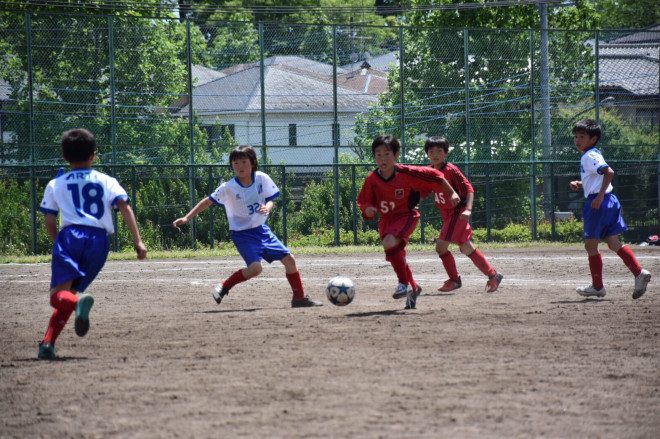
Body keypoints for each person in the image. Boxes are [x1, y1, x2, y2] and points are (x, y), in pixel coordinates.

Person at [38, 129, 148, 360]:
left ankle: (77, 304)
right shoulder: (107, 180)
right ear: (93, 155)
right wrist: (137, 241)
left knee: (58, 296)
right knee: (69, 295)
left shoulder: (56, 184)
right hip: (99, 241)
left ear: (65, 157)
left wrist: (57, 242)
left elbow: (49, 220)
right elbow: (125, 208)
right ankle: (48, 343)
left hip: (70, 237)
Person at [172, 145, 322, 308]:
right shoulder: (228, 187)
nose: (240, 166)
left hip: (262, 231)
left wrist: (268, 207)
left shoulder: (261, 178)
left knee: (290, 260)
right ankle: (224, 286)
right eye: (235, 163)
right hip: (242, 235)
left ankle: (299, 298)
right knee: (256, 268)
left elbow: (271, 198)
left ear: (253, 163)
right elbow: (207, 201)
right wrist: (187, 217)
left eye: (244, 162)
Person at [357, 134, 460, 310]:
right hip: (386, 221)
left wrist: (451, 192)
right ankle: (413, 288)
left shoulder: (406, 172)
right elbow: (364, 201)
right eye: (378, 154)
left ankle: (403, 284)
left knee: (390, 242)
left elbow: (435, 175)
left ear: (396, 155)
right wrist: (367, 209)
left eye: (387, 154)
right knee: (397, 257)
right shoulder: (372, 179)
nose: (382, 158)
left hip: (406, 216)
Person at [569, 119, 651, 299]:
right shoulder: (593, 154)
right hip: (610, 201)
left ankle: (597, 286)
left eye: (582, 136)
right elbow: (598, 179)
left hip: (599, 203)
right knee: (614, 243)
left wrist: (598, 197)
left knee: (590, 245)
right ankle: (639, 273)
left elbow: (609, 172)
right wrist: (582, 184)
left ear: (593, 138)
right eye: (576, 136)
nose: (577, 140)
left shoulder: (589, 155)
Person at [423, 137, 503, 293]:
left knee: (441, 247)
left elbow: (469, 189)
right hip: (446, 213)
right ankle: (493, 275)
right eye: (431, 151)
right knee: (466, 248)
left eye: (439, 151)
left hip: (456, 213)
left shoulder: (451, 170)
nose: (435, 154)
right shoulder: (429, 171)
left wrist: (468, 209)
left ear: (446, 153)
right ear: (427, 154)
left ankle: (454, 280)